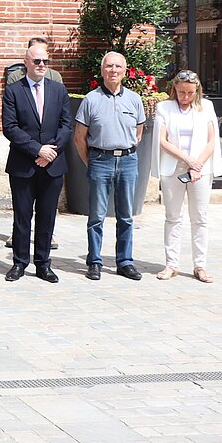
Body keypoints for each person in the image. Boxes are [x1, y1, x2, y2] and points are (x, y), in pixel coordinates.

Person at [1, 41, 73, 283]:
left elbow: (66, 125)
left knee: (47, 216)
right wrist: (37, 150)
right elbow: (10, 127)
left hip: (52, 165)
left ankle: (43, 264)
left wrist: (51, 152)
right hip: (23, 164)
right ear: (26, 63)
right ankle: (19, 263)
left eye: (45, 61)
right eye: (37, 61)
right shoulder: (13, 90)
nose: (42, 65)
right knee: (22, 217)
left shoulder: (59, 90)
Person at [74, 51, 147, 281]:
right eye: (109, 66)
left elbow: (138, 133)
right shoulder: (91, 100)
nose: (113, 70)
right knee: (96, 216)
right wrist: (92, 162)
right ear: (102, 70)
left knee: (126, 216)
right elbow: (79, 137)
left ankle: (125, 262)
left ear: (125, 71)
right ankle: (94, 261)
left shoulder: (134, 99)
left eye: (117, 66)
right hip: (100, 160)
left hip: (128, 161)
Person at [153, 69, 221, 283]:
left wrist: (197, 163)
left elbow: (211, 140)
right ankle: (171, 264)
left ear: (197, 91)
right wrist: (187, 160)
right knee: (173, 217)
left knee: (199, 217)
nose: (185, 97)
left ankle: (200, 265)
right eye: (182, 92)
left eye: (190, 93)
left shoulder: (206, 107)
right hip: (175, 167)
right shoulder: (164, 108)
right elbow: (162, 140)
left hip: (200, 168)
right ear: (175, 89)